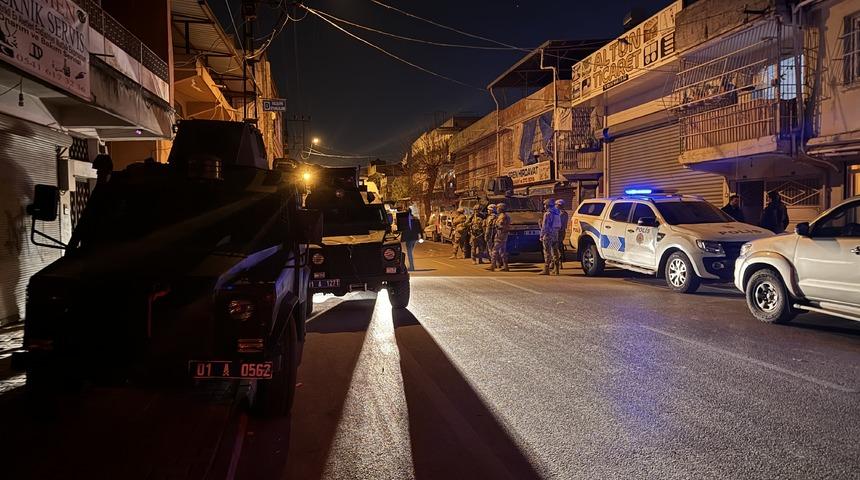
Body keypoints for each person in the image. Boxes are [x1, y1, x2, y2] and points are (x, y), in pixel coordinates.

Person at [540, 201, 563, 275]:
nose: (544, 206)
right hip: (555, 234)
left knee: (547, 252)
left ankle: (546, 269)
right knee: (555, 251)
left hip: (548, 234)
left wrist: (542, 235)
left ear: (547, 205)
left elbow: (545, 226)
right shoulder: (557, 213)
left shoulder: (547, 214)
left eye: (545, 205)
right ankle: (556, 269)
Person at [490, 203, 512, 272]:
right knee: (502, 251)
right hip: (504, 235)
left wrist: (495, 224)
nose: (497, 209)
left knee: (495, 250)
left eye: (498, 208)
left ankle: (492, 266)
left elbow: (500, 225)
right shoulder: (506, 216)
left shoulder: (502, 217)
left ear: (501, 209)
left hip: (500, 235)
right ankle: (505, 266)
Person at [555, 199, 569, 270]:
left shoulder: (560, 214)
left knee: (556, 247)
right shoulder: (564, 213)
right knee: (559, 246)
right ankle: (559, 262)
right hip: (561, 231)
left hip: (558, 231)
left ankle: (558, 262)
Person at [484, 204, 497, 269]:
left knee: (491, 250)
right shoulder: (497, 216)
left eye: (488, 210)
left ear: (491, 210)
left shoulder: (490, 218)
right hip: (496, 236)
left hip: (490, 236)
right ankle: (497, 263)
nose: (487, 211)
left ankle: (493, 265)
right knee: (496, 250)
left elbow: (488, 228)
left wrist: (486, 236)